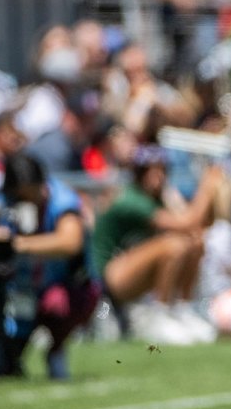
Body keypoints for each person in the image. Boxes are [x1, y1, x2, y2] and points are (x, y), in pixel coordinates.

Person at [0, 154, 98, 379]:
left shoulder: (63, 200)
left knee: (60, 303)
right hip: (14, 295)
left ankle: (56, 348)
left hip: (56, 288)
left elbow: (70, 242)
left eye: (29, 193)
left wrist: (16, 243)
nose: (26, 201)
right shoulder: (0, 202)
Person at [90, 147, 223, 345]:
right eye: (152, 171)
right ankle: (160, 315)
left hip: (131, 270)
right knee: (174, 245)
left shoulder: (158, 198)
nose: (159, 176)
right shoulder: (130, 199)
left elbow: (198, 227)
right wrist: (206, 188)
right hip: (110, 279)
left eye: (162, 170)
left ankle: (183, 310)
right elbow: (187, 222)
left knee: (194, 243)